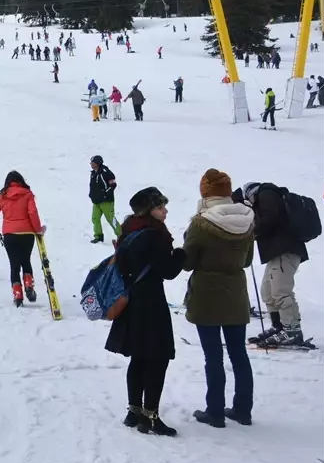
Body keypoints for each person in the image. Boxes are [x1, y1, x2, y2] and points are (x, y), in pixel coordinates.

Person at [104, 187, 186, 436]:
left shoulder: (129, 229)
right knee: (157, 358)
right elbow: (168, 271)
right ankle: (150, 416)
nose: (166, 211)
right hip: (151, 303)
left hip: (132, 303)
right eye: (160, 207)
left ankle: (133, 411)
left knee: (138, 357)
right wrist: (181, 254)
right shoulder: (153, 235)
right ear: (148, 210)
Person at [182, 169, 255, 427]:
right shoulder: (247, 220)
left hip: (207, 294)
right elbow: (246, 260)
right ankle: (243, 410)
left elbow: (188, 262)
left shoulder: (201, 223)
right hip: (235, 292)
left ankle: (214, 412)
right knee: (239, 355)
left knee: (213, 356)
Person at [234, 182, 309, 346]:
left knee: (281, 291)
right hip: (277, 252)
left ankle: (292, 330)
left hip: (285, 250)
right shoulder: (265, 198)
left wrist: (252, 230)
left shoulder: (266, 193)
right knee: (267, 292)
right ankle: (279, 327)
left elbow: (272, 218)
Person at [0, 171, 46, 307]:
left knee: (14, 265)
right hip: (27, 234)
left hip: (9, 235)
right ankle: (29, 283)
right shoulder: (27, 194)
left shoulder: (2, 196)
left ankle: (18, 295)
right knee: (26, 261)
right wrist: (38, 230)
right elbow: (33, 213)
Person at [89, 155, 120, 243]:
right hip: (96, 201)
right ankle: (98, 236)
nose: (91, 164)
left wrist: (105, 194)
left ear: (97, 163)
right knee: (95, 218)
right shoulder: (93, 173)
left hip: (106, 201)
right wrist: (91, 195)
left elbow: (113, 185)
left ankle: (121, 235)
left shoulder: (106, 172)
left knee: (110, 219)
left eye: (92, 162)